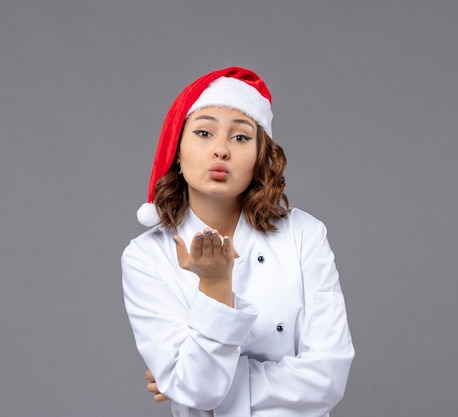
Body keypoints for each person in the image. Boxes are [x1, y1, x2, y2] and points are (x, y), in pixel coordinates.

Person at [121, 66, 354, 416]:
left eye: (241, 137)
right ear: (178, 152)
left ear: (260, 156)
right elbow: (198, 390)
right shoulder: (146, 256)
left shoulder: (305, 235)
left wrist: (195, 382)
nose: (221, 151)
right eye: (203, 132)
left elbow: (329, 375)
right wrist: (215, 287)